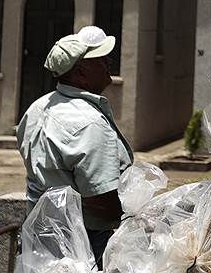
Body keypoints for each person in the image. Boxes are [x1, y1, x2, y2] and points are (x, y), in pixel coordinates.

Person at [16, 25, 132, 269]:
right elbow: (100, 199)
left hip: (41, 236)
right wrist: (136, 218)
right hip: (85, 243)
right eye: (100, 59)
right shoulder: (89, 123)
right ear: (80, 73)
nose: (108, 61)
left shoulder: (37, 108)